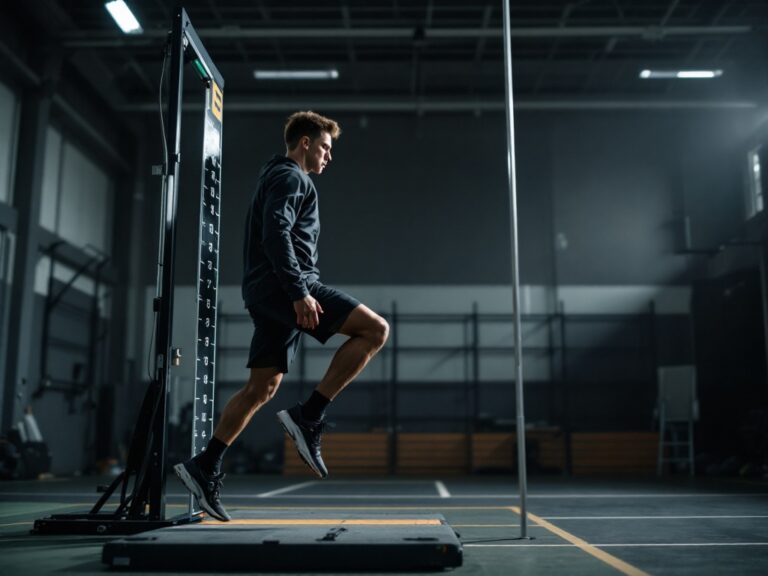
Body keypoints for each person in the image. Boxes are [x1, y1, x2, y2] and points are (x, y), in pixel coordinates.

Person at [174, 111, 389, 522]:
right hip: (284, 288)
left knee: (262, 387)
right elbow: (276, 231)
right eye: (325, 147)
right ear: (304, 143)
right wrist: (300, 292)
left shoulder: (274, 177)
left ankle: (205, 465)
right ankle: (309, 416)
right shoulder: (292, 177)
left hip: (266, 293)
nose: (329, 156)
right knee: (375, 330)